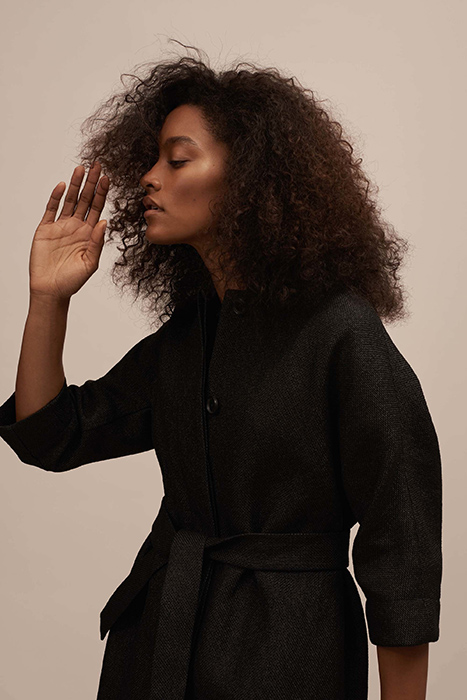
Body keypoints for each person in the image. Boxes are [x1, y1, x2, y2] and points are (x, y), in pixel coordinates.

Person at [0, 46, 442, 700]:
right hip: (157, 648)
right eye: (152, 159)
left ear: (251, 179)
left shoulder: (340, 333)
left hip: (289, 657)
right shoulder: (190, 334)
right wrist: (48, 300)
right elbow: (50, 435)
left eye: (176, 159)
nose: (148, 178)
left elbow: (400, 554)